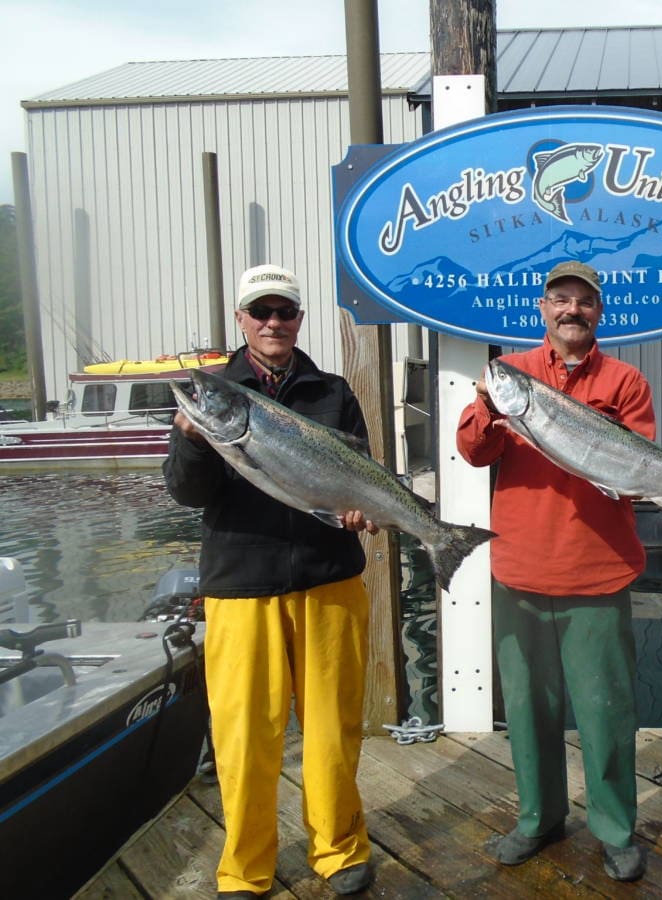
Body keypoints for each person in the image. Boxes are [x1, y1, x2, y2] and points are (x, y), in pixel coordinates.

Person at [164, 264, 376, 899]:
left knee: (334, 729)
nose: (273, 323)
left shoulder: (331, 390)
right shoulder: (212, 393)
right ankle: (245, 867)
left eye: (284, 311)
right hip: (239, 585)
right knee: (243, 735)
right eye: (260, 312)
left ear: (300, 319)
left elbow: (359, 468)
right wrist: (196, 442)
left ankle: (338, 849)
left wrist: (364, 509)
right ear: (241, 320)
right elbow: (185, 492)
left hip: (329, 578)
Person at [456, 260, 654, 883]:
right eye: (560, 299)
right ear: (543, 309)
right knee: (528, 708)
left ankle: (615, 827)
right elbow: (473, 451)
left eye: (584, 301)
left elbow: (632, 469)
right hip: (518, 567)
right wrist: (488, 406)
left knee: (605, 710)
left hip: (597, 573)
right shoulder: (507, 374)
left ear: (600, 312)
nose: (572, 310)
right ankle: (538, 819)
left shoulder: (626, 381)